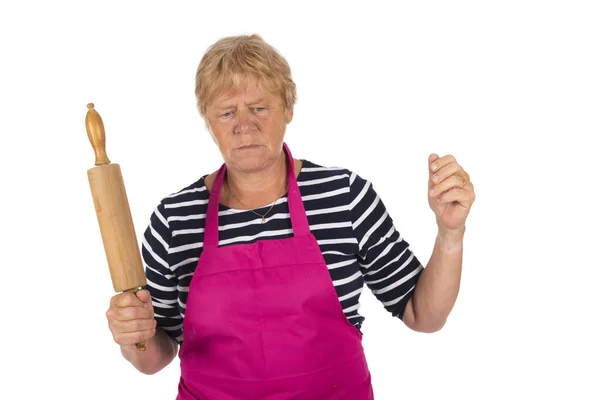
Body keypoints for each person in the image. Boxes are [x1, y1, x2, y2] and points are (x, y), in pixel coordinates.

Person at [105, 34, 476, 399]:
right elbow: (157, 355)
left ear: (289, 108)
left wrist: (450, 234)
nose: (243, 125)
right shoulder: (175, 220)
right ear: (209, 121)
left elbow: (422, 315)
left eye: (259, 107)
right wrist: (133, 335)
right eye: (226, 111)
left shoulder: (344, 197)